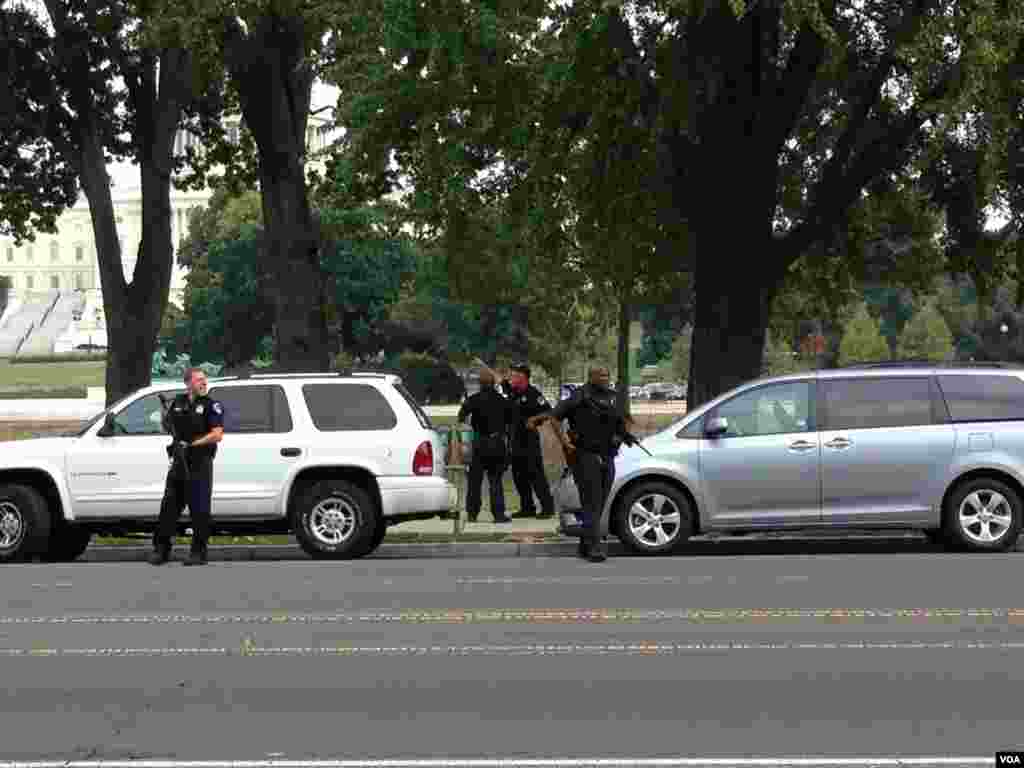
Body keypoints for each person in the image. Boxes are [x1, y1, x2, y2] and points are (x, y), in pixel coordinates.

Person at [527, 366, 639, 562]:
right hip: (586, 456)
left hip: (608, 455)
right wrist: (565, 442)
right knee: (591, 502)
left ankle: (584, 545)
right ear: (591, 377)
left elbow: (628, 419)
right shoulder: (579, 396)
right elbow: (554, 417)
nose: (605, 378)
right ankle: (594, 547)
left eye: (607, 375)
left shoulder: (613, 397)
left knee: (600, 502)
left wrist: (622, 436)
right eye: (601, 375)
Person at [149, 368, 225, 566]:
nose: (203, 383)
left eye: (204, 380)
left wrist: (192, 444)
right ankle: (161, 550)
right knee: (169, 507)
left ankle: (198, 553)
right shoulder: (178, 402)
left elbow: (217, 434)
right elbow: (168, 427)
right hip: (178, 462)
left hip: (200, 463)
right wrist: (164, 417)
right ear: (188, 383)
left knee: (200, 509)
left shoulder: (211, 405)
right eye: (199, 380)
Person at [474, 358, 555, 519]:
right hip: (514, 441)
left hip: (529, 441)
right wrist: (483, 366)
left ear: (523, 377)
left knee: (536, 475)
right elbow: (497, 378)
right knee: (519, 476)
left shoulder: (533, 394)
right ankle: (527, 508)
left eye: (515, 375)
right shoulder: (512, 391)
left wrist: (534, 420)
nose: (511, 378)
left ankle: (547, 508)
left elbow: (549, 412)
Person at [457, 369, 512, 523]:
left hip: (479, 444)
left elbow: (461, 418)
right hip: (497, 443)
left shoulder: (473, 399)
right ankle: (499, 515)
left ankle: (472, 514)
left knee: (474, 482)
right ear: (494, 384)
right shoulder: (502, 400)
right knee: (495, 481)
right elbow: (510, 421)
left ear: (479, 384)